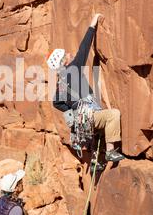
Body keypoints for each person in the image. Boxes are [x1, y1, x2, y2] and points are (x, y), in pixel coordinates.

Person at [47, 13, 125, 163]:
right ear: (64, 61)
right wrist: (93, 23)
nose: (70, 54)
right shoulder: (73, 68)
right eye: (66, 54)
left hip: (82, 121)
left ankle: (96, 159)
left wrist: (72, 110)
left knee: (99, 129)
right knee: (112, 115)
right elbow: (84, 47)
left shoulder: (60, 82)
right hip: (89, 116)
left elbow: (56, 102)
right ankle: (110, 152)